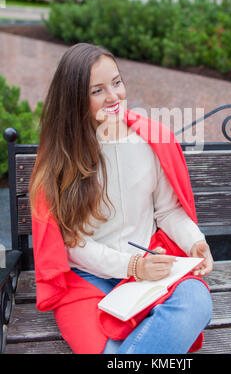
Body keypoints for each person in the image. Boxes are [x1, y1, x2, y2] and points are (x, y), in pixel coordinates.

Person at [29, 43, 213, 354]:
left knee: (196, 302)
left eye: (116, 82)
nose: (114, 97)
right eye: (97, 90)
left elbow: (168, 211)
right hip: (87, 280)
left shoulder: (149, 141)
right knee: (109, 351)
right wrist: (131, 266)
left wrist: (194, 241)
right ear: (74, 99)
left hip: (149, 267)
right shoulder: (62, 158)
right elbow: (72, 244)